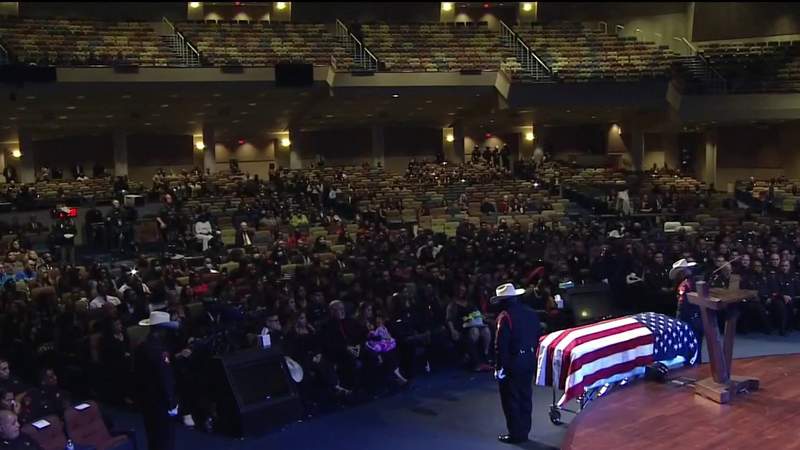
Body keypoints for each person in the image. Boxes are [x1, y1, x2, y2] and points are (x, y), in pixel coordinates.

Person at [491, 283, 541, 444]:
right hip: (529, 358)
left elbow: (501, 345)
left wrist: (500, 367)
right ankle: (525, 430)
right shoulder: (530, 312)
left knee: (511, 399)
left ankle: (516, 434)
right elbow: (537, 334)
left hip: (513, 362)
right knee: (525, 396)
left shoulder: (505, 316)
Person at [134, 311, 181, 450]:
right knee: (164, 438)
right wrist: (171, 402)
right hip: (159, 401)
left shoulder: (141, 346)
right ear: (161, 330)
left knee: (153, 437)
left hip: (146, 400)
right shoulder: (158, 349)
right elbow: (164, 377)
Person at [671, 258, 702, 364]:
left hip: (689, 318)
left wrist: (678, 319)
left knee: (690, 343)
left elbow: (682, 304)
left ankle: (692, 364)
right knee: (697, 343)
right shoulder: (697, 281)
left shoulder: (685, 285)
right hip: (699, 316)